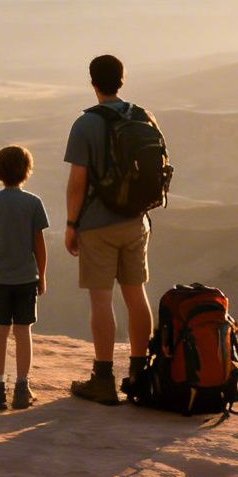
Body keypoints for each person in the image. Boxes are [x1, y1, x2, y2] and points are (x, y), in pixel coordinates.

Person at [63, 54, 157, 404]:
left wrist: (72, 224)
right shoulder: (143, 116)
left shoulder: (86, 124)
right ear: (122, 79)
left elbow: (77, 183)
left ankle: (103, 379)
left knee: (101, 299)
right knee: (137, 295)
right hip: (137, 220)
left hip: (98, 224)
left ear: (92, 82)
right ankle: (139, 374)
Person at [0, 144, 49, 409]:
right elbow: (39, 244)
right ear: (27, 171)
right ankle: (22, 387)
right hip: (26, 277)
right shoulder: (33, 203)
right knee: (23, 332)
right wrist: (42, 275)